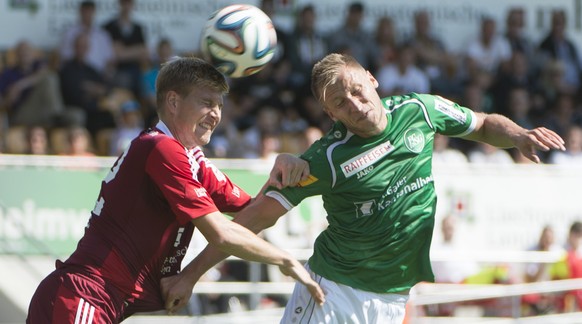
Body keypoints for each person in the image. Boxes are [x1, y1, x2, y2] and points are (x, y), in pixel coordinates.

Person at [159, 53, 566, 323]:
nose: (353, 103)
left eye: (356, 89)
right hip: (332, 293)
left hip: (393, 298)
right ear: (329, 113)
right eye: (339, 102)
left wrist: (517, 134)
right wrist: (190, 275)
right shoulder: (325, 158)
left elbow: (480, 123)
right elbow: (251, 220)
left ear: (372, 79)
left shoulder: (421, 110)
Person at [26, 57, 324, 323]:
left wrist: (289, 166)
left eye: (220, 105)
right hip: (83, 296)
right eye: (207, 102)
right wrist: (284, 260)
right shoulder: (160, 148)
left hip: (101, 303)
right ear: (173, 102)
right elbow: (221, 232)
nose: (216, 114)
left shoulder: (191, 159)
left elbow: (255, 209)